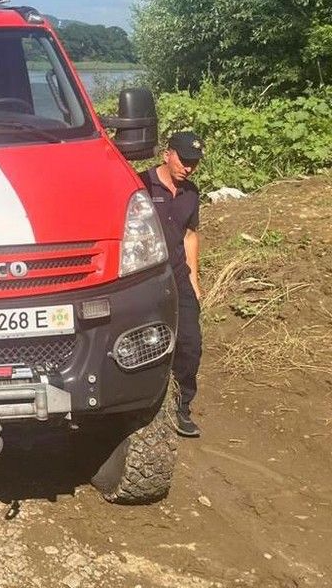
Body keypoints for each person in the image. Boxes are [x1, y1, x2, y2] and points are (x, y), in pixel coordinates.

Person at [140, 132, 204, 438]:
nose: (188, 168)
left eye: (194, 163)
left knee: (191, 344)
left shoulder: (191, 193)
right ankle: (141, 409)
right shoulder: (139, 184)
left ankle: (182, 407)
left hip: (179, 276)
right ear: (167, 154)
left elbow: (190, 235)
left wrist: (194, 279)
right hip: (144, 278)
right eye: (184, 160)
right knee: (146, 343)